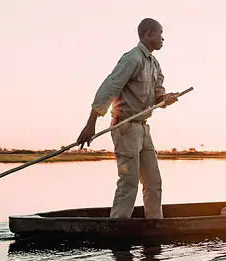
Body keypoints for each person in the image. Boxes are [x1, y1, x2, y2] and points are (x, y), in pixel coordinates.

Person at [75, 18, 179, 219]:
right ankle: (118, 229)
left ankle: (154, 226)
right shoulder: (132, 59)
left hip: (143, 128)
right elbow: (109, 88)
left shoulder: (154, 64)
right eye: (160, 33)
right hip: (125, 126)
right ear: (149, 33)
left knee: (154, 182)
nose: (163, 38)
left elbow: (158, 95)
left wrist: (165, 98)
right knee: (129, 181)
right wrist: (91, 123)